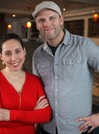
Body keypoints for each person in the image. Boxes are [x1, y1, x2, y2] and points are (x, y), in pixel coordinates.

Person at [32, 1, 99, 134]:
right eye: (41, 20)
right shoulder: (37, 54)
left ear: (61, 20)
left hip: (78, 129)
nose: (47, 24)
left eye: (52, 18)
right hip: (47, 127)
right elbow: (36, 89)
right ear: (37, 25)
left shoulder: (84, 46)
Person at [0, 33, 51, 134]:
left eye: (17, 51)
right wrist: (32, 114)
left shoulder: (35, 80)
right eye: (8, 53)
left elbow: (46, 115)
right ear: (1, 57)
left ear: (24, 51)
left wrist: (9, 115)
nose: (14, 58)